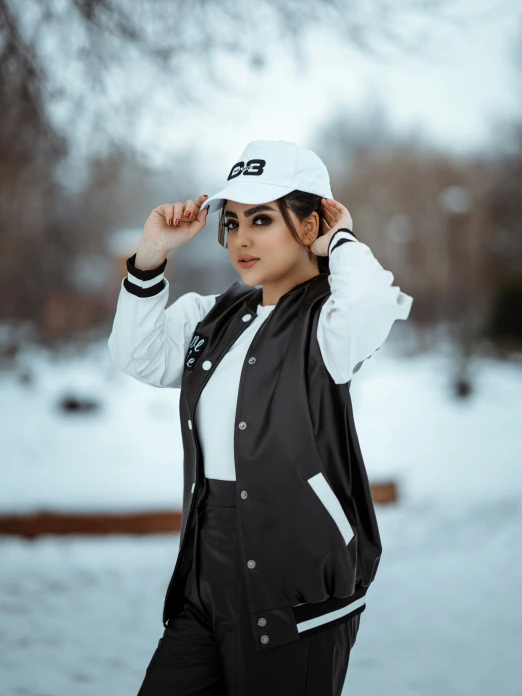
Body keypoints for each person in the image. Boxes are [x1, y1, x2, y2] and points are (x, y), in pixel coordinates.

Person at [108, 139, 413, 696]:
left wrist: (340, 238)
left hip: (294, 592)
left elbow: (371, 303)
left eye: (263, 219)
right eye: (233, 221)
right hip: (204, 577)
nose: (240, 238)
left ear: (308, 226)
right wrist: (150, 256)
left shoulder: (329, 324)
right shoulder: (216, 314)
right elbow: (138, 355)